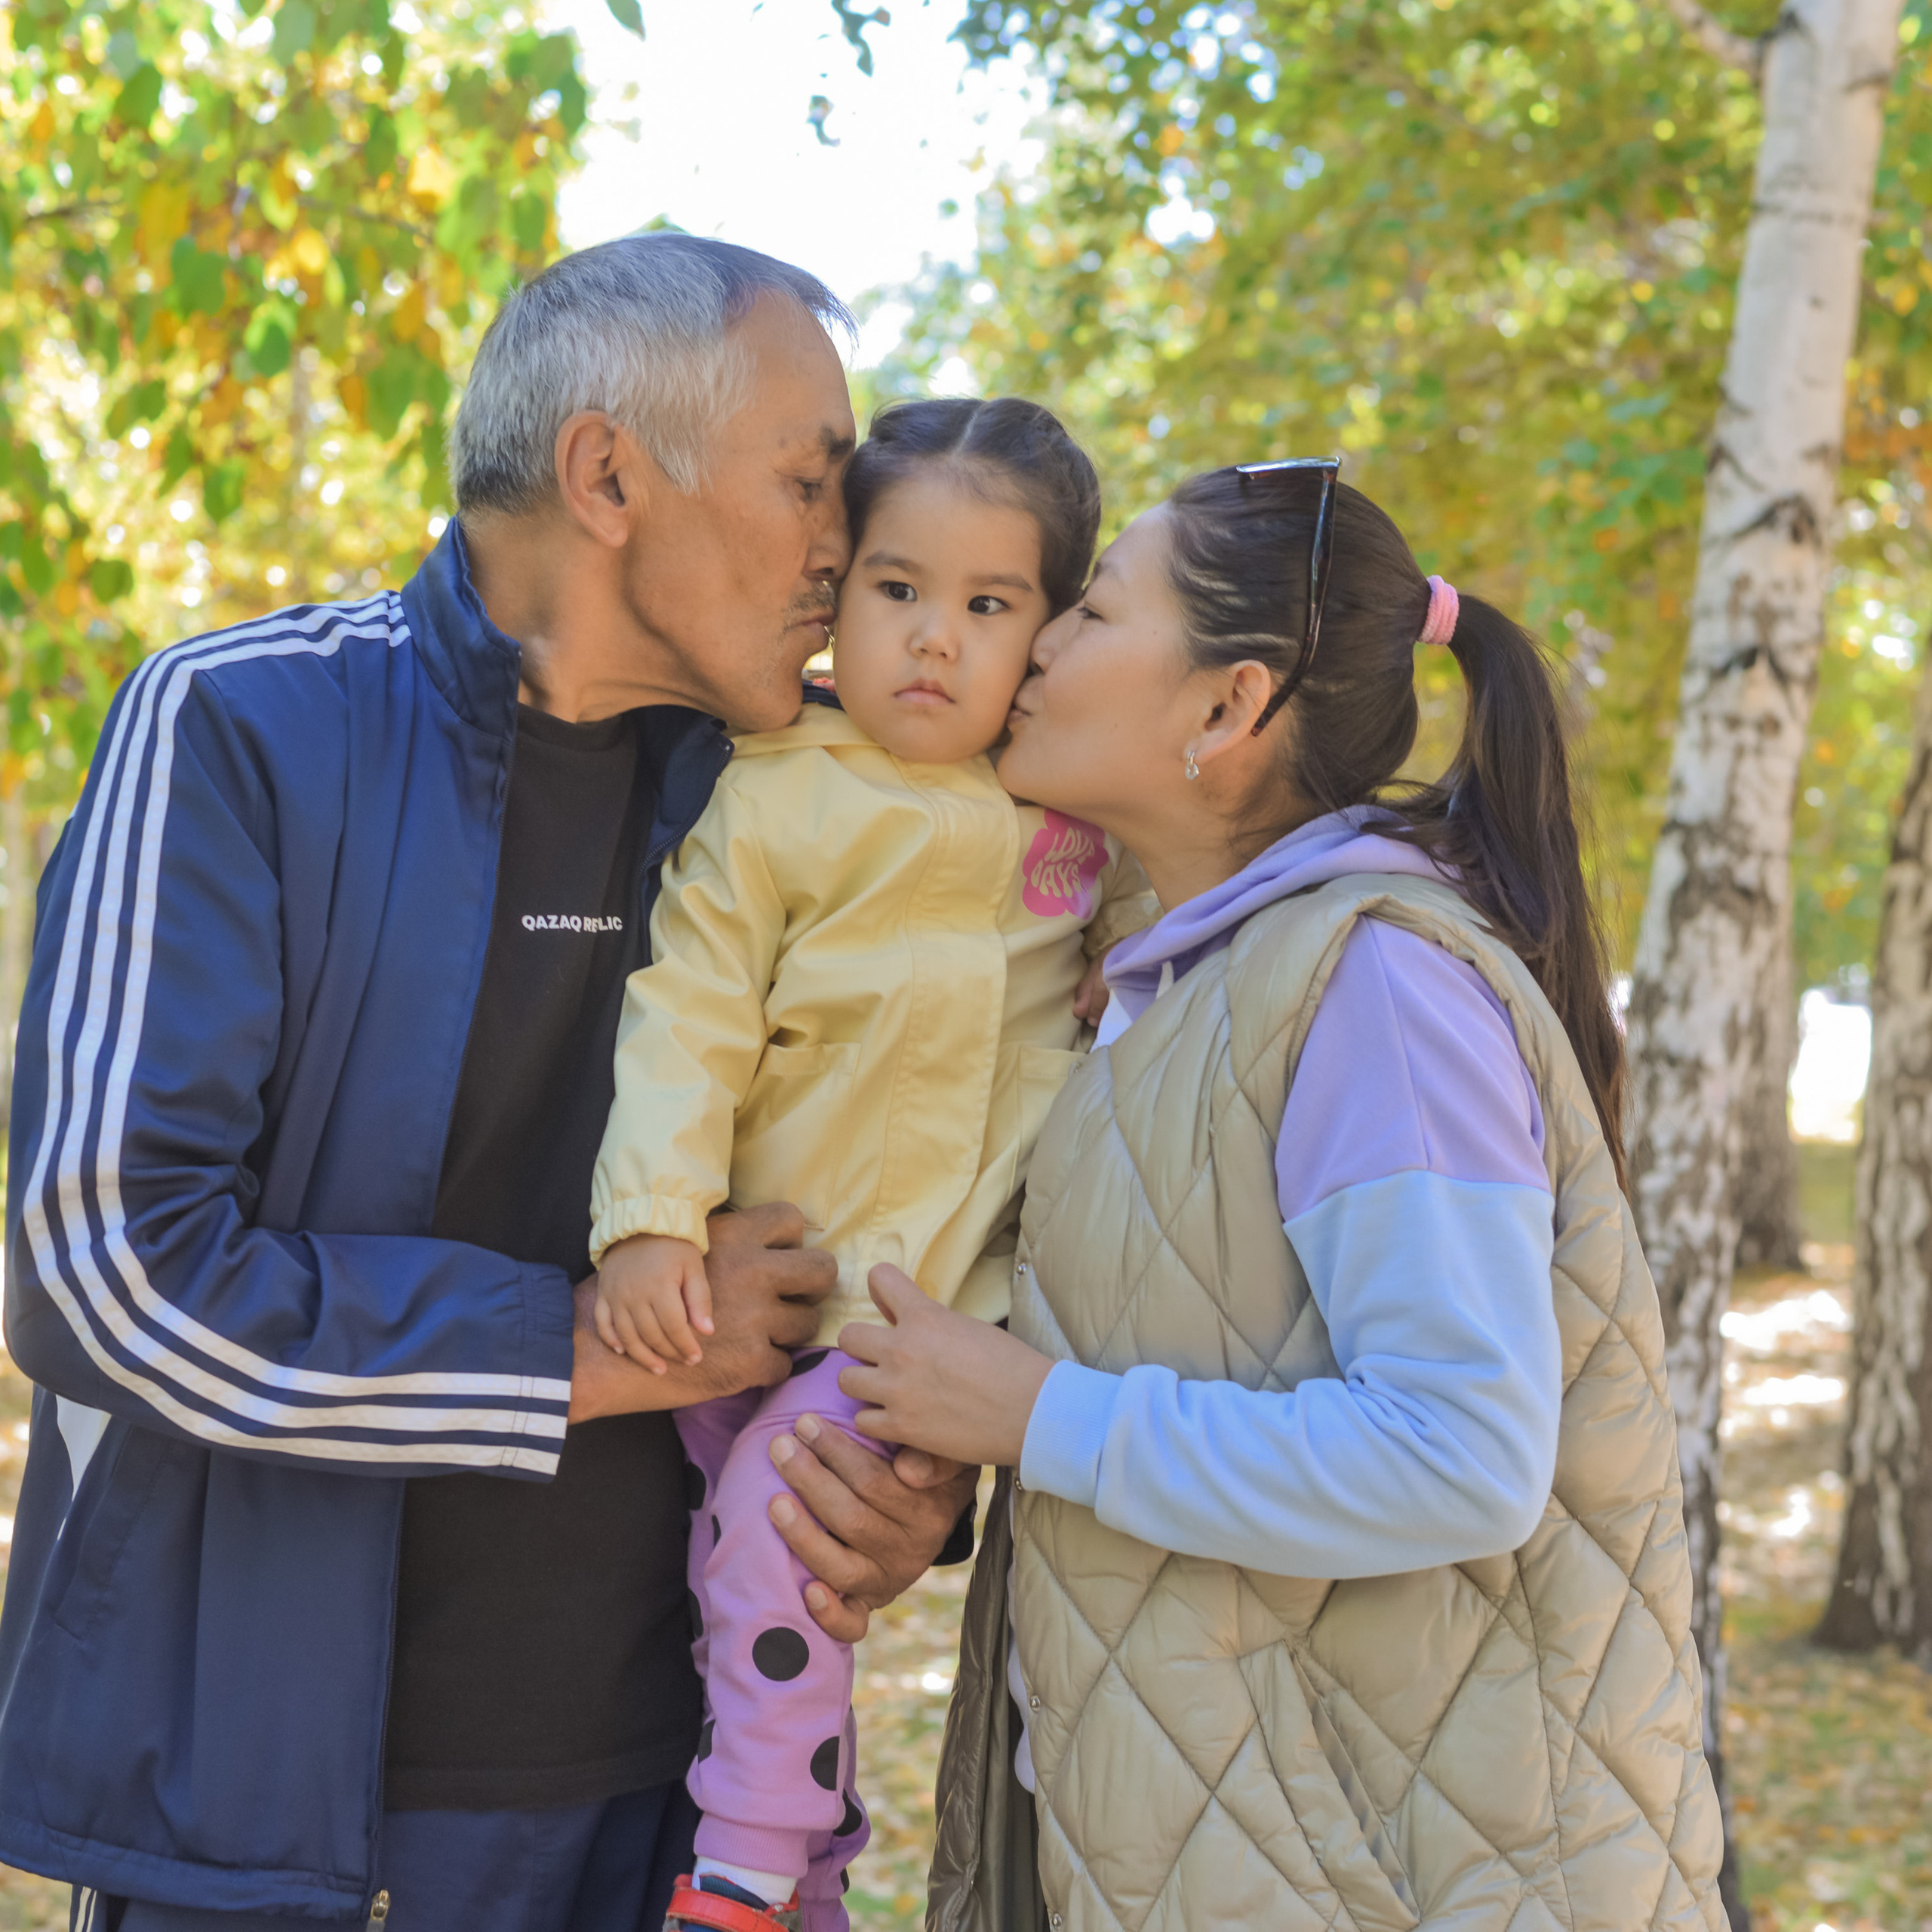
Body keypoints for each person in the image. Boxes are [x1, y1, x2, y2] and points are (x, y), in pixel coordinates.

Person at [0, 234, 977, 1932]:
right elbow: (106, 1273)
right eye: (810, 480)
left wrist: (905, 1487)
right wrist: (577, 1350)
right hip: (282, 1813)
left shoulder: (826, 792)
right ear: (608, 475)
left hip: (683, 1809)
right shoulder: (241, 728)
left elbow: (935, 1166)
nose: (851, 542)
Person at [832, 466, 1726, 1927]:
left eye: (1093, 609)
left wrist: (1040, 1415)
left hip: (1402, 1878)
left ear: (1226, 707)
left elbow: (1460, 1453)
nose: (1037, 641)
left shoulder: (1377, 986)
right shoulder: (1176, 984)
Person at [584, 398, 1155, 1932]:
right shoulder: (776, 785)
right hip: (737, 1301)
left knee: (772, 1549)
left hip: (917, 1322)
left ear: (1048, 631)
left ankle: (746, 1864)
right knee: (741, 1591)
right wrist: (648, 1224)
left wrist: (1137, 950)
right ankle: (810, 1880)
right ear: (837, 591)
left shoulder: (1076, 817)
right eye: (897, 588)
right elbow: (689, 1012)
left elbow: (1174, 911)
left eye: (990, 605)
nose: (934, 639)